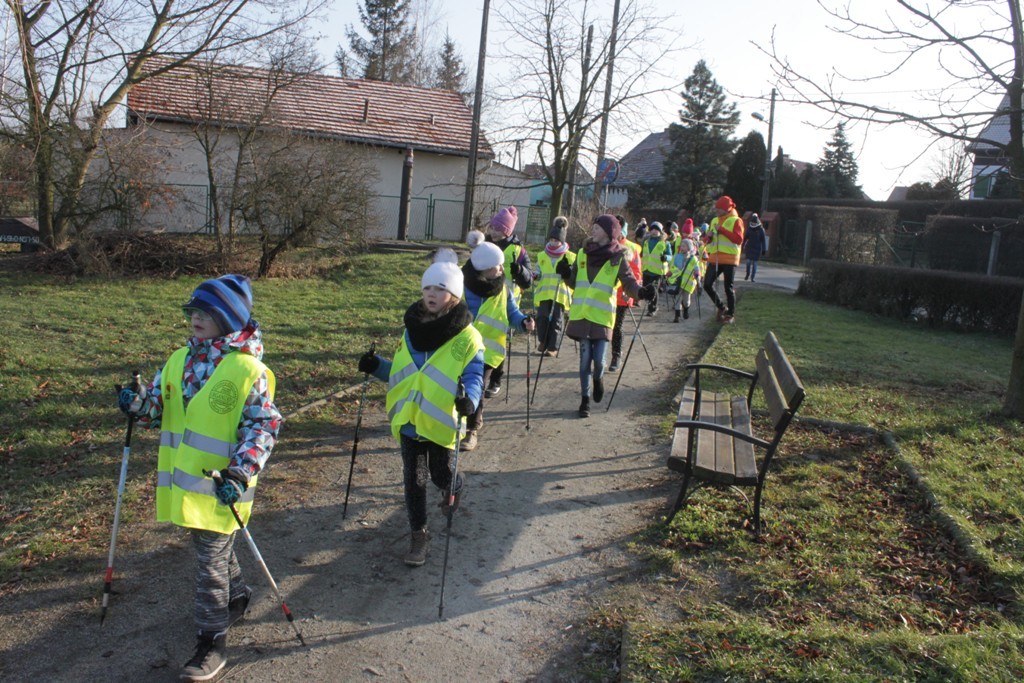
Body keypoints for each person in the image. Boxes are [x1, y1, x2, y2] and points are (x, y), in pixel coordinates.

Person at [116, 275, 282, 682]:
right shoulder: (179, 360)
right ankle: (239, 595)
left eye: (205, 312)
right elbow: (158, 405)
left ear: (227, 319)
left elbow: (263, 428)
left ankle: (212, 643)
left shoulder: (248, 370)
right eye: (191, 311)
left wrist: (241, 472)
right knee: (213, 552)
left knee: (208, 564)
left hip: (224, 486)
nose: (195, 318)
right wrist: (139, 403)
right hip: (186, 486)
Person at [359, 249, 485, 567]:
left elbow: (473, 376)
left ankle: (454, 484)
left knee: (440, 475)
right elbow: (403, 375)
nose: (432, 294)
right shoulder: (411, 330)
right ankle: (420, 536)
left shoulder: (467, 338)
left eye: (440, 289)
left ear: (453, 295)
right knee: (415, 479)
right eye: (428, 288)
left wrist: (469, 399)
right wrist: (375, 366)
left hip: (441, 422)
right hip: (410, 422)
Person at [556, 214, 654, 418]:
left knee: (599, 361)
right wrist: (565, 273)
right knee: (584, 362)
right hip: (582, 315)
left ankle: (598, 379)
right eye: (594, 227)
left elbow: (629, 283)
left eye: (598, 228)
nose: (593, 230)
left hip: (602, 317)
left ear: (610, 234)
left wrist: (642, 292)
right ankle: (585, 400)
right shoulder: (583, 253)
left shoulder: (618, 257)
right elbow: (574, 282)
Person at [462, 230, 535, 450]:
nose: (502, 270)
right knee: (459, 388)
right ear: (483, 269)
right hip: (461, 348)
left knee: (477, 388)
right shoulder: (462, 287)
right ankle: (457, 423)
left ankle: (471, 430)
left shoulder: (504, 291)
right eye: (498, 266)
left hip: (488, 352)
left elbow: (513, 314)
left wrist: (523, 323)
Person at [483, 206, 532, 398]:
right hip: (484, 299)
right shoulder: (484, 246)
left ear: (506, 231)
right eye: (492, 228)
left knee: (498, 341)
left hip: (507, 303)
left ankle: (496, 379)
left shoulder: (518, 251)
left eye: (498, 229)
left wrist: (520, 271)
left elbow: (528, 282)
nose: (493, 232)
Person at [534, 216, 575, 357]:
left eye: (556, 241)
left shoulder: (569, 256)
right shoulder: (542, 255)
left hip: (560, 294)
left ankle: (553, 347)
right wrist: (535, 275)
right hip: (544, 293)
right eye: (551, 240)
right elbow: (538, 269)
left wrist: (566, 273)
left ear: (562, 241)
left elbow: (572, 275)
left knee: (557, 320)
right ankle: (543, 341)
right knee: (542, 318)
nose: (553, 243)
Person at [702, 195, 745, 324]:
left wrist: (722, 230)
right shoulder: (715, 220)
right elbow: (708, 240)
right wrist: (708, 237)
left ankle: (730, 314)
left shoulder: (736, 221)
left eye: (719, 209)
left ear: (727, 208)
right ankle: (721, 307)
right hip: (715, 257)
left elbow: (738, 239)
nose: (717, 211)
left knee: (728, 287)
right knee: (707, 284)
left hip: (730, 258)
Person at [609, 217, 643, 372]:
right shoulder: (605, 246)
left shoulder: (631, 248)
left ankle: (616, 355)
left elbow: (636, 273)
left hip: (622, 295)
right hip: (604, 293)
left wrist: (631, 294)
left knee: (617, 326)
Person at [667, 238, 702, 322]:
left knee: (686, 301)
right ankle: (677, 316)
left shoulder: (693, 259)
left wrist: (697, 276)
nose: (681, 247)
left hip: (688, 283)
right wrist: (670, 273)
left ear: (689, 248)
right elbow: (673, 267)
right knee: (677, 299)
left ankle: (686, 309)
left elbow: (696, 268)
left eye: (684, 246)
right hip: (678, 282)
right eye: (681, 246)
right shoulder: (677, 256)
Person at [640, 221, 669, 316]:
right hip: (646, 269)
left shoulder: (664, 243)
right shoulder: (646, 241)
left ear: (661, 231)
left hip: (657, 272)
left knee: (654, 289)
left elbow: (670, 255)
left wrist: (666, 257)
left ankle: (652, 308)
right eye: (652, 229)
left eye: (657, 229)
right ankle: (649, 305)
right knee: (647, 289)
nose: (654, 231)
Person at [744, 213, 768, 282]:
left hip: (757, 249)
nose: (753, 224)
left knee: (755, 264)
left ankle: (752, 277)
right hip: (749, 248)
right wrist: (743, 245)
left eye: (754, 223)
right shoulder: (749, 229)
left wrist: (763, 249)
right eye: (752, 223)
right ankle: (747, 274)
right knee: (748, 262)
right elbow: (745, 238)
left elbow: (763, 240)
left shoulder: (761, 230)